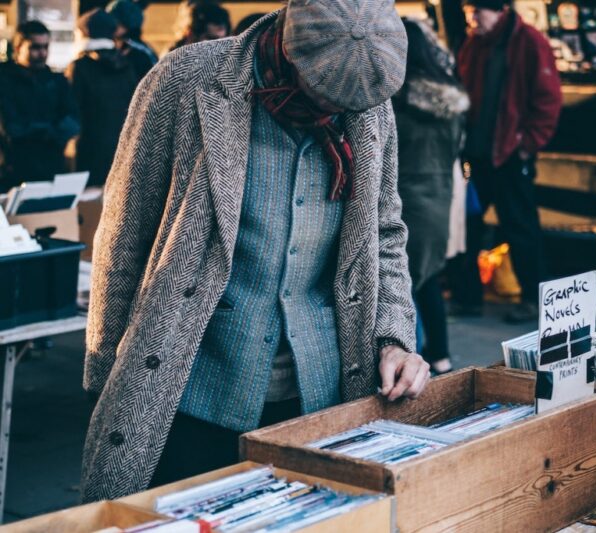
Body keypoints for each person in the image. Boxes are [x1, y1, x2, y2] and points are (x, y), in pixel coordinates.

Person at [80, 0, 429, 502]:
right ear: (288, 50)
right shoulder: (186, 77)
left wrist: (394, 338)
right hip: (188, 386)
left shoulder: (366, 101)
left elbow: (386, 232)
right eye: (321, 96)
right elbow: (123, 231)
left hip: (319, 394)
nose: (334, 114)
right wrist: (104, 375)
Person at [456, 0, 562, 322]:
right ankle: (468, 298)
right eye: (468, 13)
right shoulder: (474, 44)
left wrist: (526, 146)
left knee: (521, 228)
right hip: (476, 157)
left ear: (498, 10)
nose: (472, 19)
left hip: (510, 156)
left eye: (477, 12)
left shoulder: (529, 41)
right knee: (466, 226)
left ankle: (534, 300)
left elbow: (548, 99)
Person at [393, 19, 468, 375]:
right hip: (440, 198)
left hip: (404, 199)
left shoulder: (396, 100)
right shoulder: (449, 102)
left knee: (400, 285)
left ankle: (413, 359)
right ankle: (439, 355)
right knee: (427, 280)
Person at [0, 21, 79, 190]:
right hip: (13, 171)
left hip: (51, 169)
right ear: (18, 48)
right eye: (35, 47)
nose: (42, 53)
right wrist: (50, 130)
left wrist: (38, 130)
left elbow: (73, 122)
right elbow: (11, 128)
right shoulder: (5, 81)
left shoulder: (57, 81)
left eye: (45, 47)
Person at [66, 9, 140, 188]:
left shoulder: (79, 67)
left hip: (89, 150)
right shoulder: (126, 67)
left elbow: (71, 110)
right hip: (123, 150)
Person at [107, 0, 158, 79]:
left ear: (126, 25)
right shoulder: (139, 48)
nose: (109, 26)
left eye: (114, 22)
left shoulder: (136, 53)